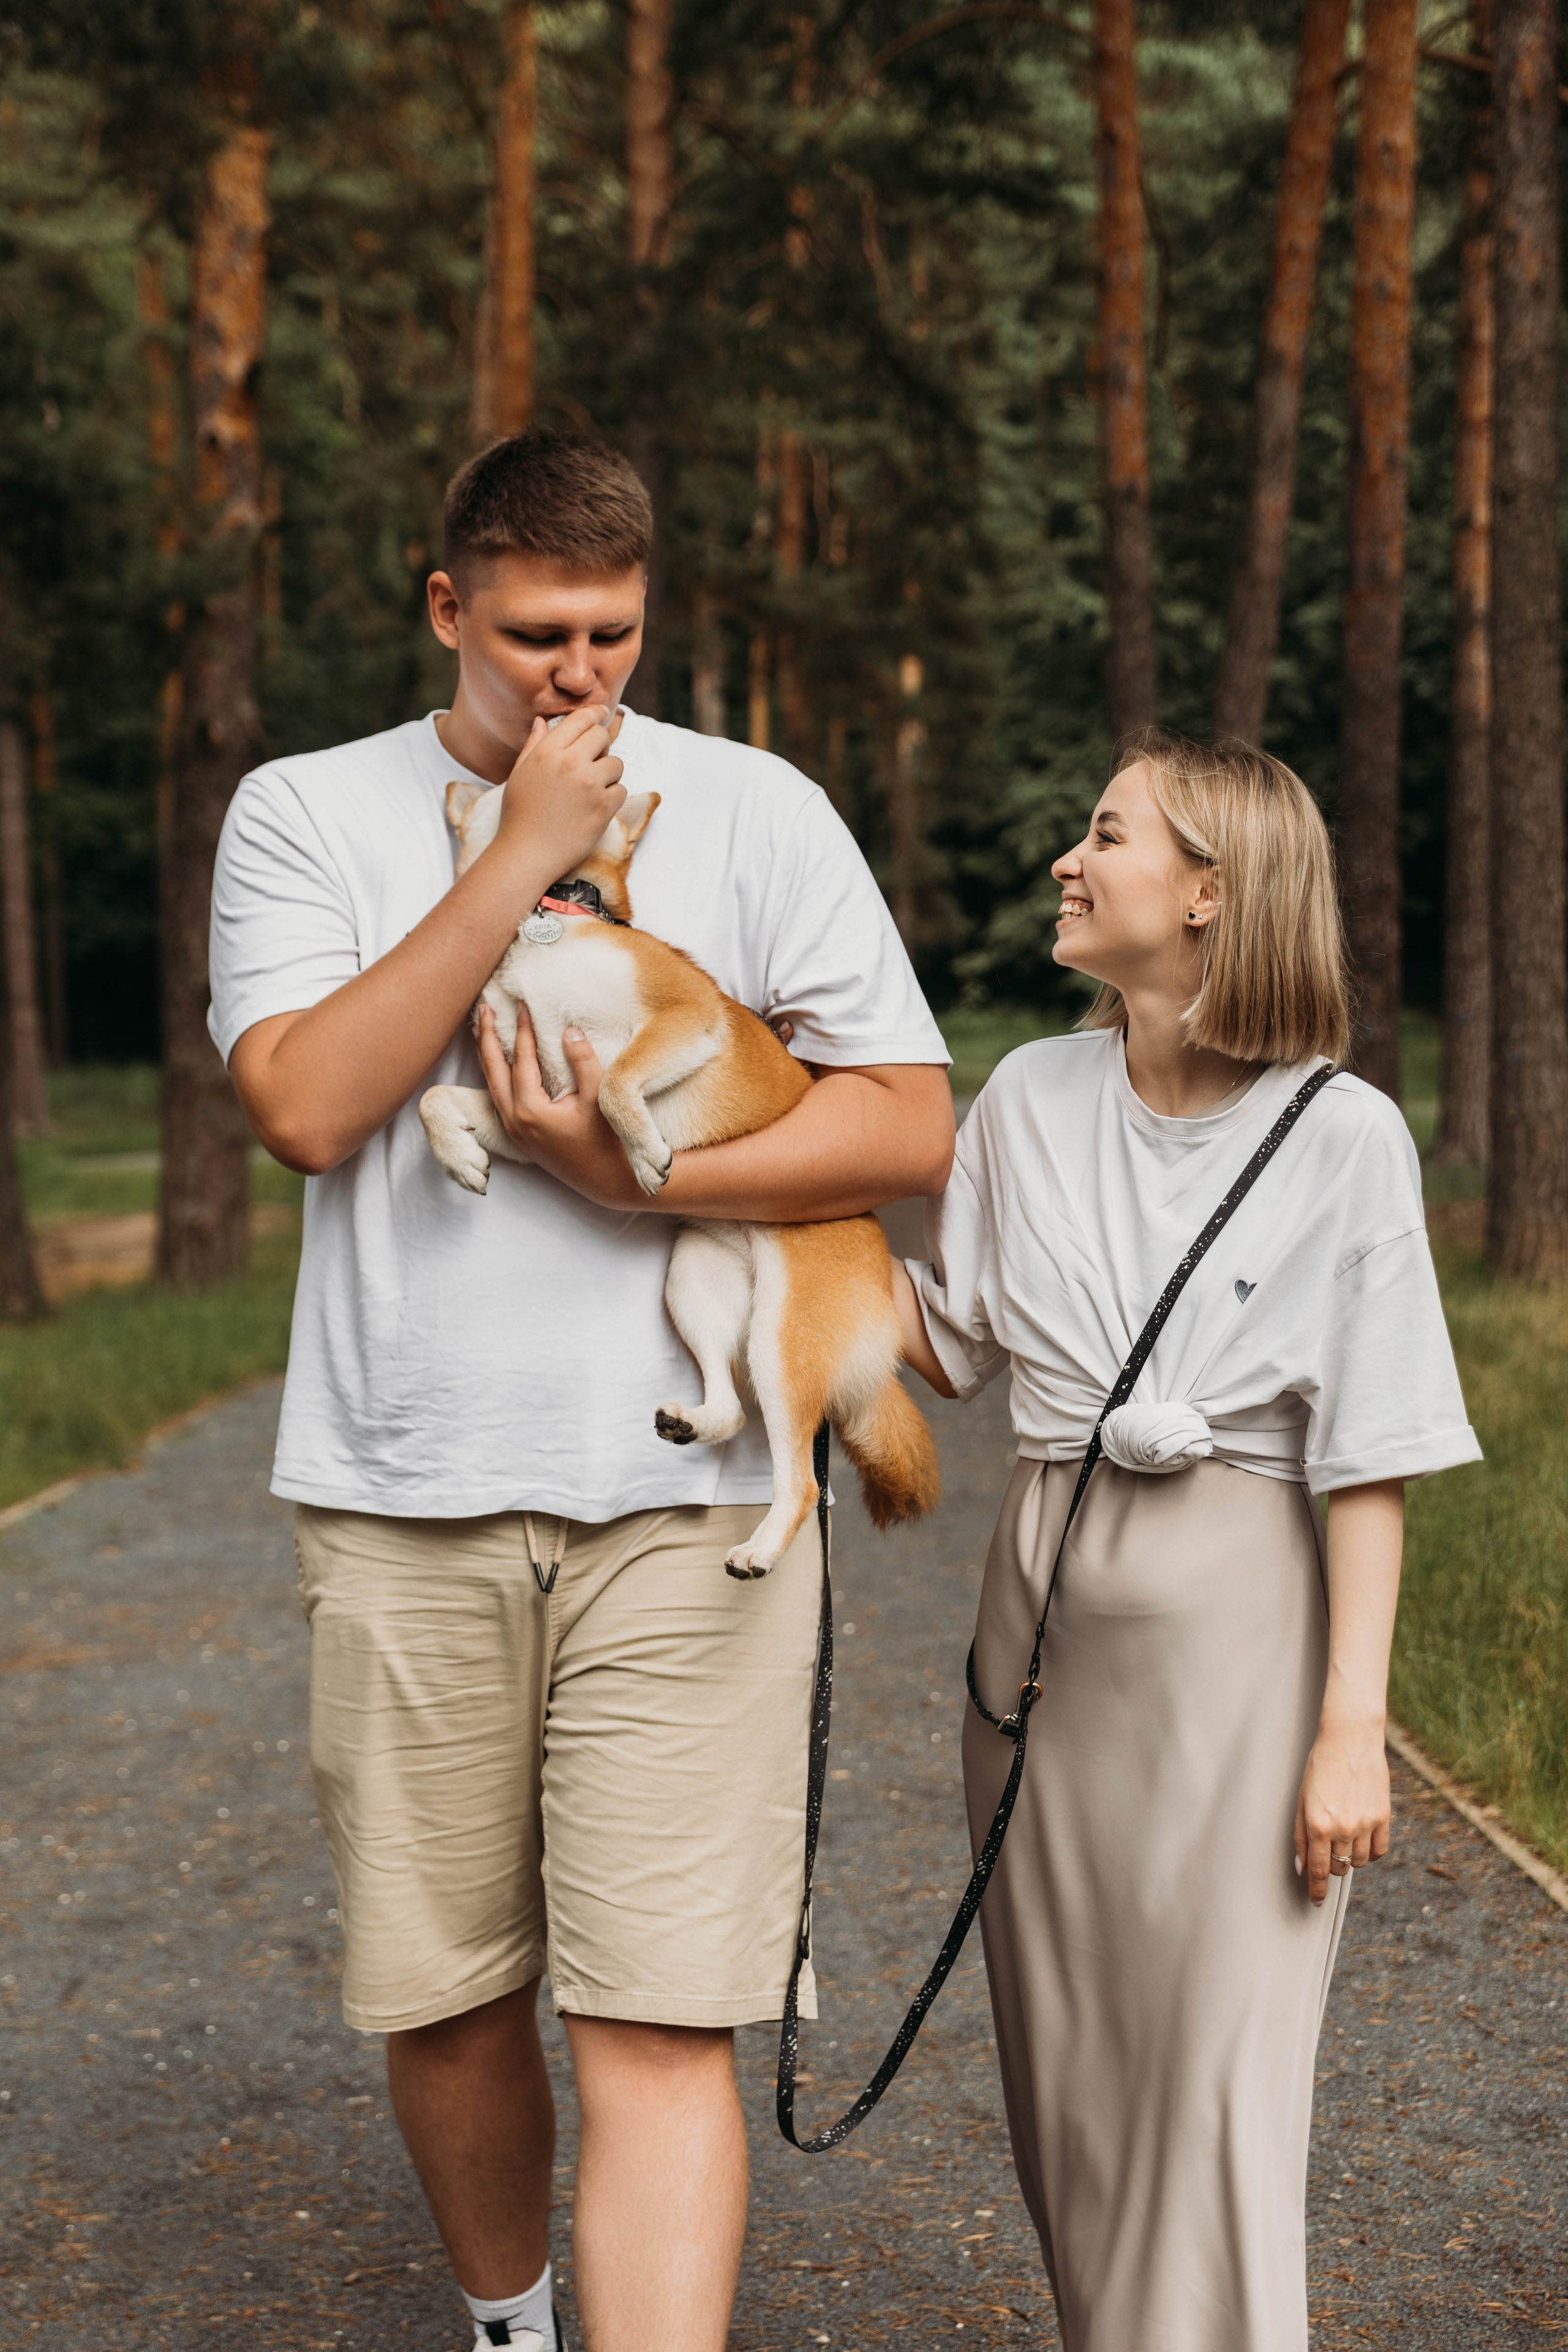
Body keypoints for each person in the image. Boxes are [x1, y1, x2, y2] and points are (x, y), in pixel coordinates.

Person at [209, 427, 953, 2352]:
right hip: (402, 1497)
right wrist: (531, 856)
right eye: (539, 632)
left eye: (613, 636)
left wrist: (648, 1181)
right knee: (443, 1996)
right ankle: (512, 2322)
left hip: (692, 1517)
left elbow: (908, 1124)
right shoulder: (304, 812)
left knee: (657, 2012)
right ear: (448, 607)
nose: (581, 677)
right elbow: (302, 1102)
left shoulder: (765, 810)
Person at [890, 734, 1479, 2352]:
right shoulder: (1028, 1093)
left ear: (1211, 892)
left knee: (1213, 2106)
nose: (1068, 864)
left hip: (1244, 1662)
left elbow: (1374, 1457)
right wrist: (738, 1191)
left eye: (1105, 836)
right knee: (1069, 2102)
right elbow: (948, 1345)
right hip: (1038, 1655)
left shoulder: (1345, 1137)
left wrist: (1351, 1732)